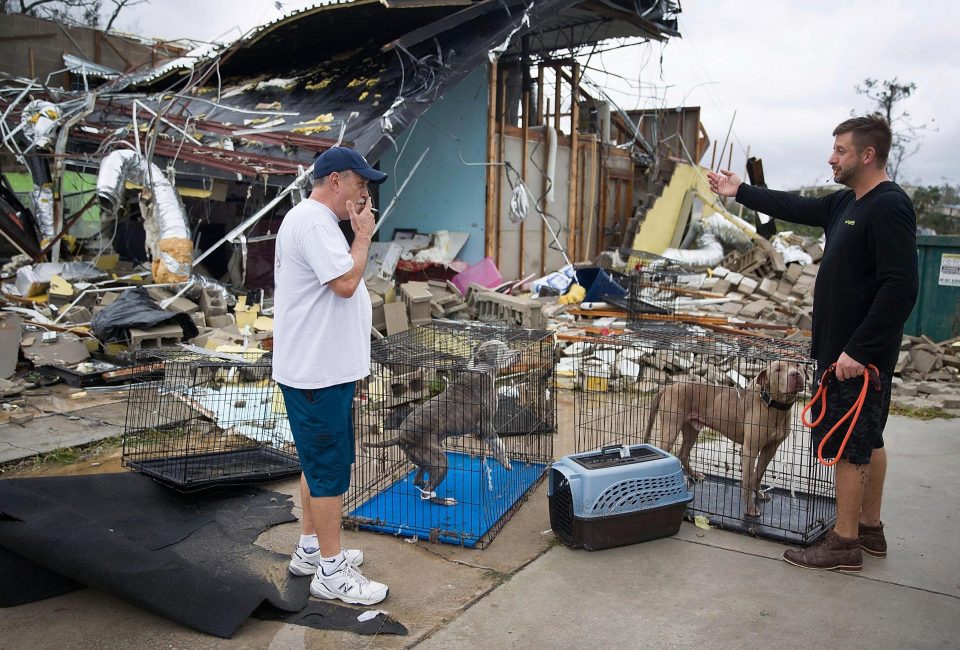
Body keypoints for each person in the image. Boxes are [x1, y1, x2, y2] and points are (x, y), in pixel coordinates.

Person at [707, 115, 919, 572]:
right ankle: (869, 528)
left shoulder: (889, 207)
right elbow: (795, 206)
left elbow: (901, 287)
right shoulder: (846, 202)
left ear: (867, 155)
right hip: (845, 355)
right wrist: (740, 191)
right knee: (869, 439)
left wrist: (858, 352)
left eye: (840, 150)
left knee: (847, 446)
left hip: (856, 362)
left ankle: (844, 544)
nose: (831, 157)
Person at [272, 146, 389, 605]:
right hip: (315, 373)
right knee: (328, 470)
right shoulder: (315, 222)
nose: (363, 197)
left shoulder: (314, 221)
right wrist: (363, 237)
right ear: (336, 180)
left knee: (318, 463)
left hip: (322, 369)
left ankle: (309, 549)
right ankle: (331, 571)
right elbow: (344, 285)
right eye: (360, 186)